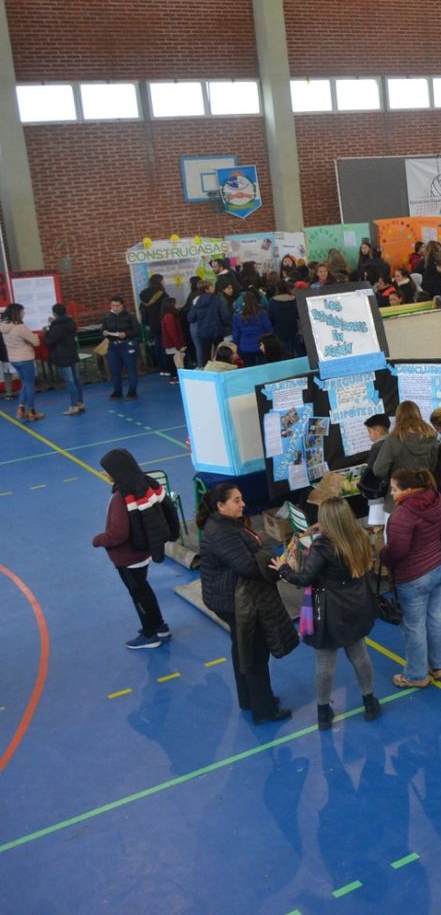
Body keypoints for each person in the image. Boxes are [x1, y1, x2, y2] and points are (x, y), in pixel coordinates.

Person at [271, 497, 379, 729]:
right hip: (357, 603)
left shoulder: (322, 547)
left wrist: (283, 569)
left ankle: (322, 712)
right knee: (359, 655)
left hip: (328, 608)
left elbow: (304, 578)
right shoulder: (358, 536)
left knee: (325, 662)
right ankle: (369, 702)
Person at [196, 483, 295, 723]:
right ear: (221, 506)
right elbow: (248, 567)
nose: (243, 504)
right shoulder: (220, 532)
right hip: (235, 600)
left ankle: (249, 699)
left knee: (242, 648)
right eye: (237, 500)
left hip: (228, 596)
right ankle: (264, 709)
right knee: (255, 652)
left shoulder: (224, 524)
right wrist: (277, 561)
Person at [90, 448, 180, 649]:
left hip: (128, 557)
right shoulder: (143, 484)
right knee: (144, 589)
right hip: (143, 552)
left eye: (107, 470)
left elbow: (118, 533)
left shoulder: (120, 498)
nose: (105, 473)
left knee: (138, 593)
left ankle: (150, 635)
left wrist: (98, 540)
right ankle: (159, 626)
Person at [380, 468, 441, 688]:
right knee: (434, 616)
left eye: (394, 489)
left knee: (414, 626)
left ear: (408, 490)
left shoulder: (401, 515)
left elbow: (398, 551)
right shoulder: (438, 499)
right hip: (440, 566)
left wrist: (383, 555)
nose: (392, 493)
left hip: (414, 577)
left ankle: (416, 675)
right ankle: (438, 665)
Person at [371, 401, 438, 512]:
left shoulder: (393, 440)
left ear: (398, 417)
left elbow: (379, 470)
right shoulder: (432, 437)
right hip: (425, 497)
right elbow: (433, 467)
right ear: (418, 414)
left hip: (399, 499)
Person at [1, 305, 42, 421]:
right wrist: (36, 336)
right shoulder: (20, 327)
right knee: (29, 385)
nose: (24, 313)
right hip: (25, 358)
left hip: (13, 359)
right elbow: (36, 342)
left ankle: (21, 409)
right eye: (22, 311)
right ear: (17, 313)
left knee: (25, 383)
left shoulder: (4, 327)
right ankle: (32, 411)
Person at [101, 296, 142, 399]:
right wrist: (104, 332)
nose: (115, 308)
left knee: (131, 369)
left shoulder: (130, 316)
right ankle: (117, 391)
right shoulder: (107, 316)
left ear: (122, 305)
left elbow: (137, 330)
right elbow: (103, 329)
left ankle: (132, 391)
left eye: (117, 305)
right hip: (113, 346)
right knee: (114, 370)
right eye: (112, 305)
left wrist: (126, 334)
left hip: (127, 344)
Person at [232, 291, 272, 366]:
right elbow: (268, 329)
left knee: (249, 369)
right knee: (264, 368)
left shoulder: (237, 317)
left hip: (245, 346)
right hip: (261, 346)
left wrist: (237, 347)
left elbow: (236, 335)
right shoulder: (262, 314)